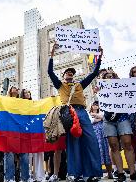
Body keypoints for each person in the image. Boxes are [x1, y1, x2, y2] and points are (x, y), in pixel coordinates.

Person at [48, 43, 102, 182]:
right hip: (69, 113)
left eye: (72, 72)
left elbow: (94, 73)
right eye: (67, 72)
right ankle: (74, 174)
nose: (70, 73)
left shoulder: (79, 85)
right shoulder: (60, 84)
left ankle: (92, 173)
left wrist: (99, 57)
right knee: (73, 142)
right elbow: (50, 72)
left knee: (91, 140)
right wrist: (52, 53)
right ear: (64, 75)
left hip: (83, 112)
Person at [101, 71, 136, 182]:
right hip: (108, 120)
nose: (110, 78)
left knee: (128, 144)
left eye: (112, 76)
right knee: (114, 146)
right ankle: (120, 173)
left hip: (123, 118)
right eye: (107, 77)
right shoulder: (101, 90)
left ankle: (133, 173)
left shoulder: (123, 88)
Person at [4, 86, 30, 182]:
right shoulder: (5, 100)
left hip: (22, 130)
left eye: (17, 88)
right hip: (9, 130)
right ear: (9, 90)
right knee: (9, 153)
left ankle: (25, 178)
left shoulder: (22, 101)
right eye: (13, 87)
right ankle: (9, 178)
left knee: (24, 153)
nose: (16, 89)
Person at [89, 101, 113, 179]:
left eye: (97, 105)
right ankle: (97, 174)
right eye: (94, 105)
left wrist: (96, 116)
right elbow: (91, 121)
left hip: (103, 135)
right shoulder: (88, 114)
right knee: (96, 153)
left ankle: (110, 173)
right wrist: (99, 118)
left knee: (106, 152)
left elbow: (104, 117)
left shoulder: (102, 112)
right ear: (91, 106)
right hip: (94, 136)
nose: (95, 106)